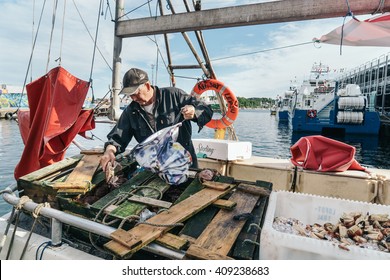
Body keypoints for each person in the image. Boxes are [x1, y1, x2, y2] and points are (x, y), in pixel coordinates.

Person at [100, 68, 213, 172]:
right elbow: (118, 138)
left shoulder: (174, 95)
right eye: (130, 95)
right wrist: (109, 151)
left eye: (136, 93)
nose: (133, 98)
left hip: (184, 165)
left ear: (148, 86)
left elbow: (206, 110)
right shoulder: (131, 111)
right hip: (154, 170)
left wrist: (194, 111)